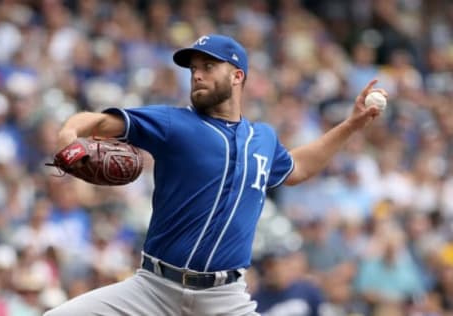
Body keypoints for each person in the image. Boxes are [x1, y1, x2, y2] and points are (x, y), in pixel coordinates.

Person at [44, 34, 386, 316]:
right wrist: (68, 134)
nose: (197, 74)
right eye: (194, 68)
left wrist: (351, 125)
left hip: (224, 300)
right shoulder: (174, 123)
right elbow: (101, 122)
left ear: (237, 76)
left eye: (208, 66)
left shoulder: (263, 138)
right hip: (152, 290)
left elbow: (298, 168)